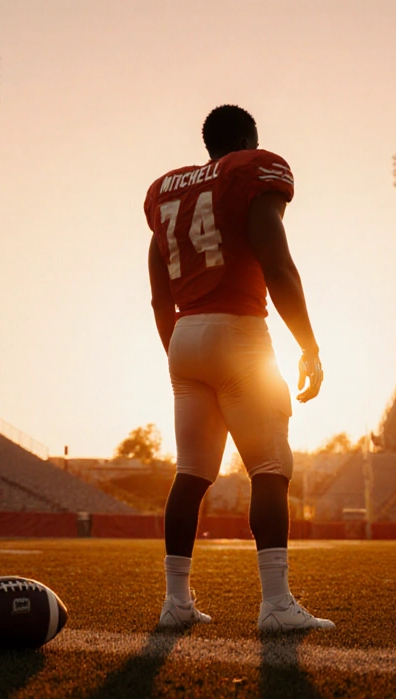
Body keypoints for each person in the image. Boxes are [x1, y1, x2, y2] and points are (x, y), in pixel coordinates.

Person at [143, 104, 332, 633]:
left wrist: (181, 352)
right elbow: (278, 265)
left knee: (191, 474)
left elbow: (160, 296)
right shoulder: (252, 170)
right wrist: (309, 345)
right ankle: (276, 604)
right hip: (240, 331)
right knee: (270, 469)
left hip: (185, 335)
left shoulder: (165, 191)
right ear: (250, 140)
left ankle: (175, 602)